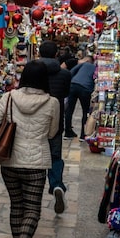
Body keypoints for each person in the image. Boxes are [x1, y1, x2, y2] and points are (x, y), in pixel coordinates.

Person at [0, 60, 59, 238]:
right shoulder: (52, 102)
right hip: (36, 163)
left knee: (17, 206)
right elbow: (51, 133)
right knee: (33, 209)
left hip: (10, 161)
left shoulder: (8, 97)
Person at [38, 40, 71, 214]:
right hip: (55, 119)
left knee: (33, 156)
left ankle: (33, 192)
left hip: (35, 118)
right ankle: (57, 185)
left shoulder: (32, 69)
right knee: (55, 155)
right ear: (56, 54)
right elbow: (65, 94)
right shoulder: (65, 74)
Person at [64, 54, 96, 141]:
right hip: (86, 89)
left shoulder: (83, 64)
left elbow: (71, 72)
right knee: (85, 111)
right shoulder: (95, 68)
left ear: (87, 60)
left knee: (69, 110)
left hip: (73, 85)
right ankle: (83, 134)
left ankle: (67, 132)